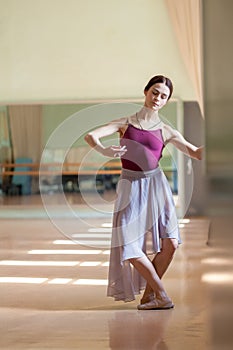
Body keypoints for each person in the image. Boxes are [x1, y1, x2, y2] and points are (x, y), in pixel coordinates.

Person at [84, 75, 202, 310]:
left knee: (170, 244)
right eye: (155, 92)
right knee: (128, 244)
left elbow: (197, 153)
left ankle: (152, 296)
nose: (158, 98)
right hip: (130, 186)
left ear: (167, 101)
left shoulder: (167, 131)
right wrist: (105, 151)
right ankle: (162, 294)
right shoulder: (125, 123)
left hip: (157, 186)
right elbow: (91, 136)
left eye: (163, 96)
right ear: (146, 91)